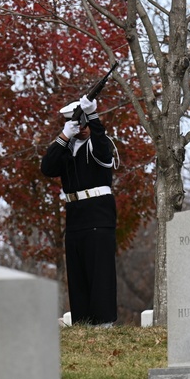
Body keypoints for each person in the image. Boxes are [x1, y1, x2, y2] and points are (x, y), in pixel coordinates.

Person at [40, 95, 117, 326]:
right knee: (77, 270)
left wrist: (93, 117)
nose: (82, 128)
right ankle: (82, 322)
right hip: (75, 214)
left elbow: (103, 151)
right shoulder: (65, 147)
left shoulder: (99, 142)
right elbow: (47, 168)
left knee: (99, 270)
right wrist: (65, 136)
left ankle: (104, 322)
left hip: (98, 212)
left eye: (84, 123)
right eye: (77, 123)